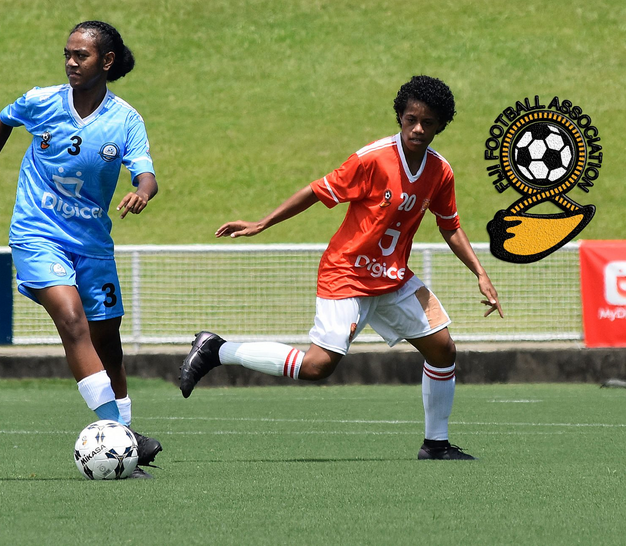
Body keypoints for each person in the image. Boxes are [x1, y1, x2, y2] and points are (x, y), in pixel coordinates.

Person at [180, 75, 503, 460]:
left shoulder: (440, 171)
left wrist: (481, 274)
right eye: (410, 119)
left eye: (428, 122)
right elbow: (316, 192)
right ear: (399, 117)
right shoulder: (372, 159)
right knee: (318, 367)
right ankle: (218, 350)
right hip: (347, 272)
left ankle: (435, 444)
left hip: (393, 278)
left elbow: (450, 226)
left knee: (442, 349)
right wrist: (262, 222)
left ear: (441, 125)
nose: (418, 128)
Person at [0, 21, 162, 477]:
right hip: (37, 232)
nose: (72, 63)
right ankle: (119, 434)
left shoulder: (125, 119)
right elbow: (2, 122)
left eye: (82, 56)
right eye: (68, 55)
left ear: (106, 62)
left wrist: (143, 191)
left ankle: (126, 442)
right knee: (71, 319)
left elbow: (147, 173)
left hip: (92, 242)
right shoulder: (41, 101)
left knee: (107, 339)